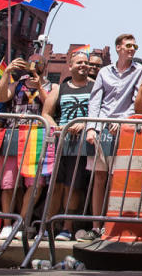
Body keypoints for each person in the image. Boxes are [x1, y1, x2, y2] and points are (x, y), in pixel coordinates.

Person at [86, 34, 142, 236]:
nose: (132, 49)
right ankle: (96, 225)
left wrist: (124, 121)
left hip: (124, 128)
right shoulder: (104, 72)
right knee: (99, 177)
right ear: (118, 48)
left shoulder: (139, 71)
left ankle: (110, 224)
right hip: (101, 127)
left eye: (135, 46)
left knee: (116, 178)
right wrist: (91, 127)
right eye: (128, 45)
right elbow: (95, 101)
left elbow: (135, 102)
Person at [0, 56, 52, 240]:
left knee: (35, 184)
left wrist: (39, 87)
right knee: (8, 183)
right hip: (13, 136)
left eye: (39, 62)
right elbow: (2, 96)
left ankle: (21, 223)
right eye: (31, 61)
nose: (34, 64)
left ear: (45, 65)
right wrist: (7, 72)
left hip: (36, 137)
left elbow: (49, 108)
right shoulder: (17, 83)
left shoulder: (50, 85)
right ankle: (6, 224)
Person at [41, 49, 94, 241]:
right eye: (79, 62)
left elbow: (99, 113)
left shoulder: (95, 87)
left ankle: (67, 227)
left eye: (85, 63)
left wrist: (86, 123)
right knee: (55, 186)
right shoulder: (59, 88)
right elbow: (46, 113)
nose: (83, 65)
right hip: (59, 142)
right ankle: (48, 226)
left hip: (81, 145)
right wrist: (57, 127)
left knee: (74, 186)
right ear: (70, 66)